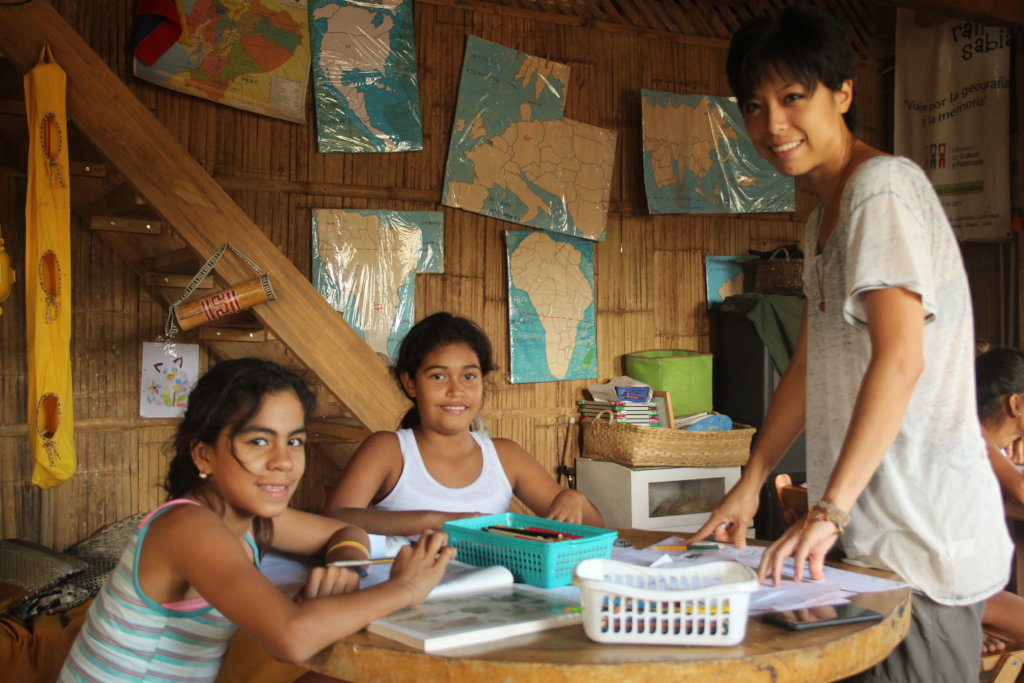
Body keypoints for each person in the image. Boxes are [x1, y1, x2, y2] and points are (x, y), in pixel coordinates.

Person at [688, 5, 1011, 680]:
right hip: (873, 548)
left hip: (920, 542)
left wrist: (830, 511)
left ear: (843, 93)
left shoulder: (879, 190)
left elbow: (901, 357)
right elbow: (807, 364)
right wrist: (751, 479)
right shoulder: (821, 221)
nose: (772, 125)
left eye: (793, 96)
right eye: (754, 105)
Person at [59, 358, 454, 682]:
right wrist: (405, 588)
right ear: (204, 456)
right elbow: (292, 638)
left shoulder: (252, 519)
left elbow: (344, 530)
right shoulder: (186, 527)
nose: (283, 461)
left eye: (294, 441)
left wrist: (346, 567)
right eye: (258, 441)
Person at [324, 312, 603, 535]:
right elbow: (337, 517)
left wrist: (575, 500)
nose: (456, 390)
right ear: (410, 383)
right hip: (410, 596)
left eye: (469, 376)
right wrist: (437, 521)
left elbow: (596, 530)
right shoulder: (389, 450)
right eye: (438, 376)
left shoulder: (506, 456)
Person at [975, 347, 1024, 653]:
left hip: (969, 588)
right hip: (943, 593)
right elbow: (1020, 488)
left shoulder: (988, 441)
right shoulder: (974, 440)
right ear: (1015, 403)